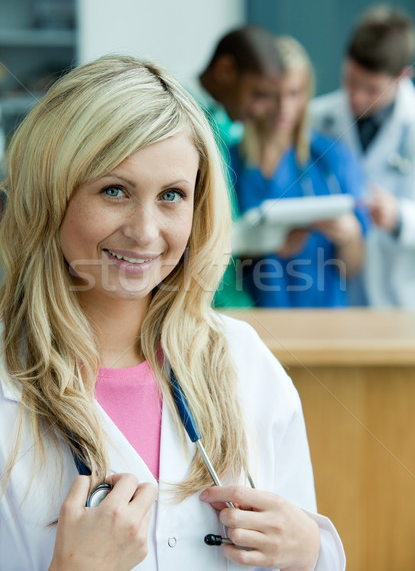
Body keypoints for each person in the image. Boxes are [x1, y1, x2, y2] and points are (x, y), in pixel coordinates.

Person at [0, 54, 345, 571]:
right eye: (114, 190)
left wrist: (314, 553)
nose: (145, 231)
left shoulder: (244, 361)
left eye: (172, 196)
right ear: (48, 195)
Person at [231, 36, 369, 307]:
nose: (284, 107)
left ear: (307, 94)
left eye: (294, 94)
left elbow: (352, 268)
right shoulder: (228, 160)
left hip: (323, 324)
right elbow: (209, 258)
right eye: (273, 94)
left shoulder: (332, 159)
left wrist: (350, 235)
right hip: (250, 319)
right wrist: (262, 243)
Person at [311, 4, 415, 308]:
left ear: (402, 77)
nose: (357, 97)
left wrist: (399, 217)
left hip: (403, 302)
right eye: (351, 81)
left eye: (371, 89)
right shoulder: (318, 118)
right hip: (335, 296)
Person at [188, 25, 284, 307]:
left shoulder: (227, 129)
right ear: (226, 69)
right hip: (199, 301)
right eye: (258, 94)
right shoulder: (181, 120)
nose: (262, 110)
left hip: (227, 296)